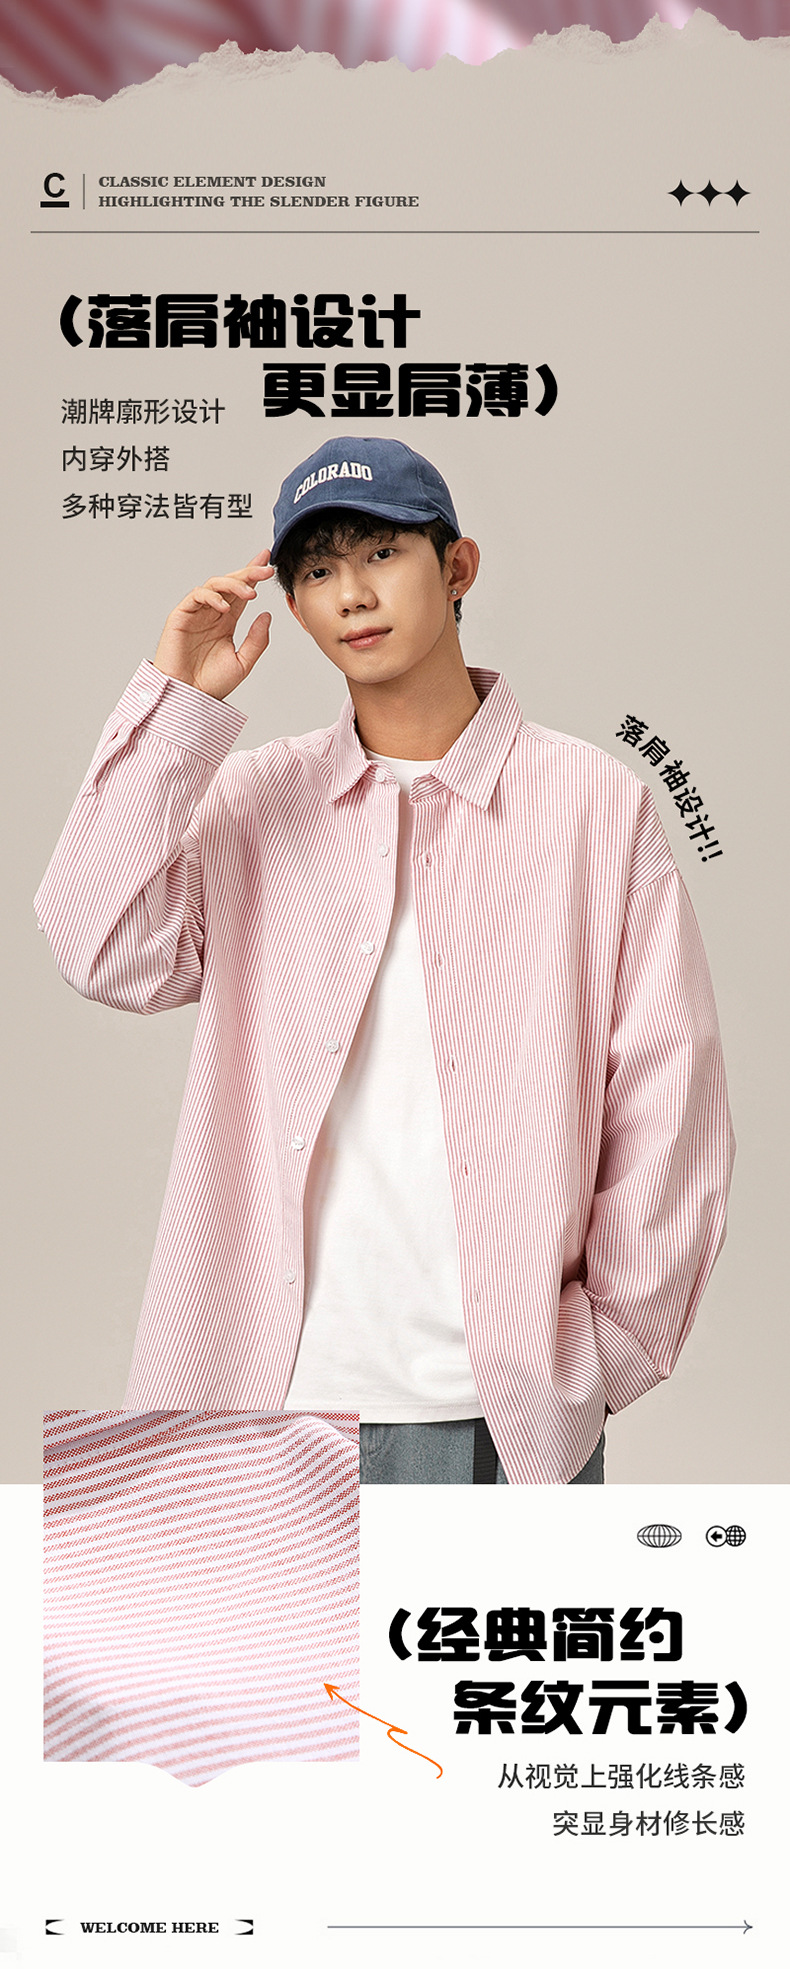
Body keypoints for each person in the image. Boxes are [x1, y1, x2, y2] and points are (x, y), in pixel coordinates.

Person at [34, 435, 734, 1485]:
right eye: (318, 569)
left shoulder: (595, 805)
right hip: (255, 1401)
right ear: (295, 604)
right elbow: (100, 947)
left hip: (495, 1417)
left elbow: (669, 1101)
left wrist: (596, 1359)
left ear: (457, 568)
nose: (352, 594)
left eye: (380, 553)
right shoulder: (254, 800)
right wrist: (178, 706)